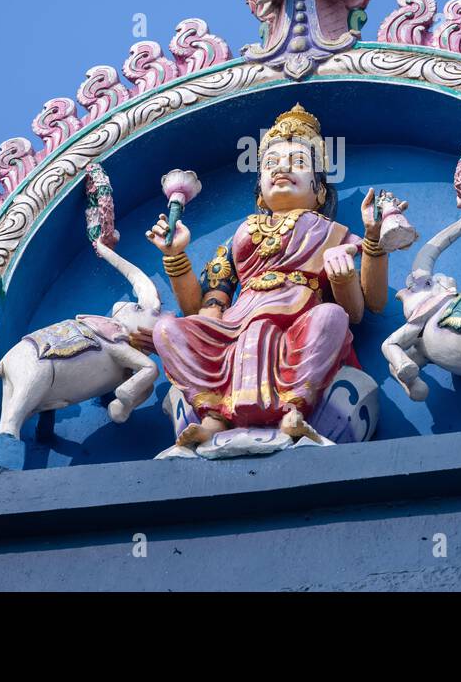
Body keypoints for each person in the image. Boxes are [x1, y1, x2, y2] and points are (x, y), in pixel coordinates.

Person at [146, 104, 392, 448]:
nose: (283, 169)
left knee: (331, 315)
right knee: (167, 329)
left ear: (320, 191)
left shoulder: (332, 233)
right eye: (271, 164)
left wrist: (372, 241)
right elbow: (204, 305)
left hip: (298, 321)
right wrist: (175, 257)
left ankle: (296, 410)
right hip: (237, 322)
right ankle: (213, 414)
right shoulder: (240, 235)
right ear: (260, 193)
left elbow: (370, 305)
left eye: (299, 164)